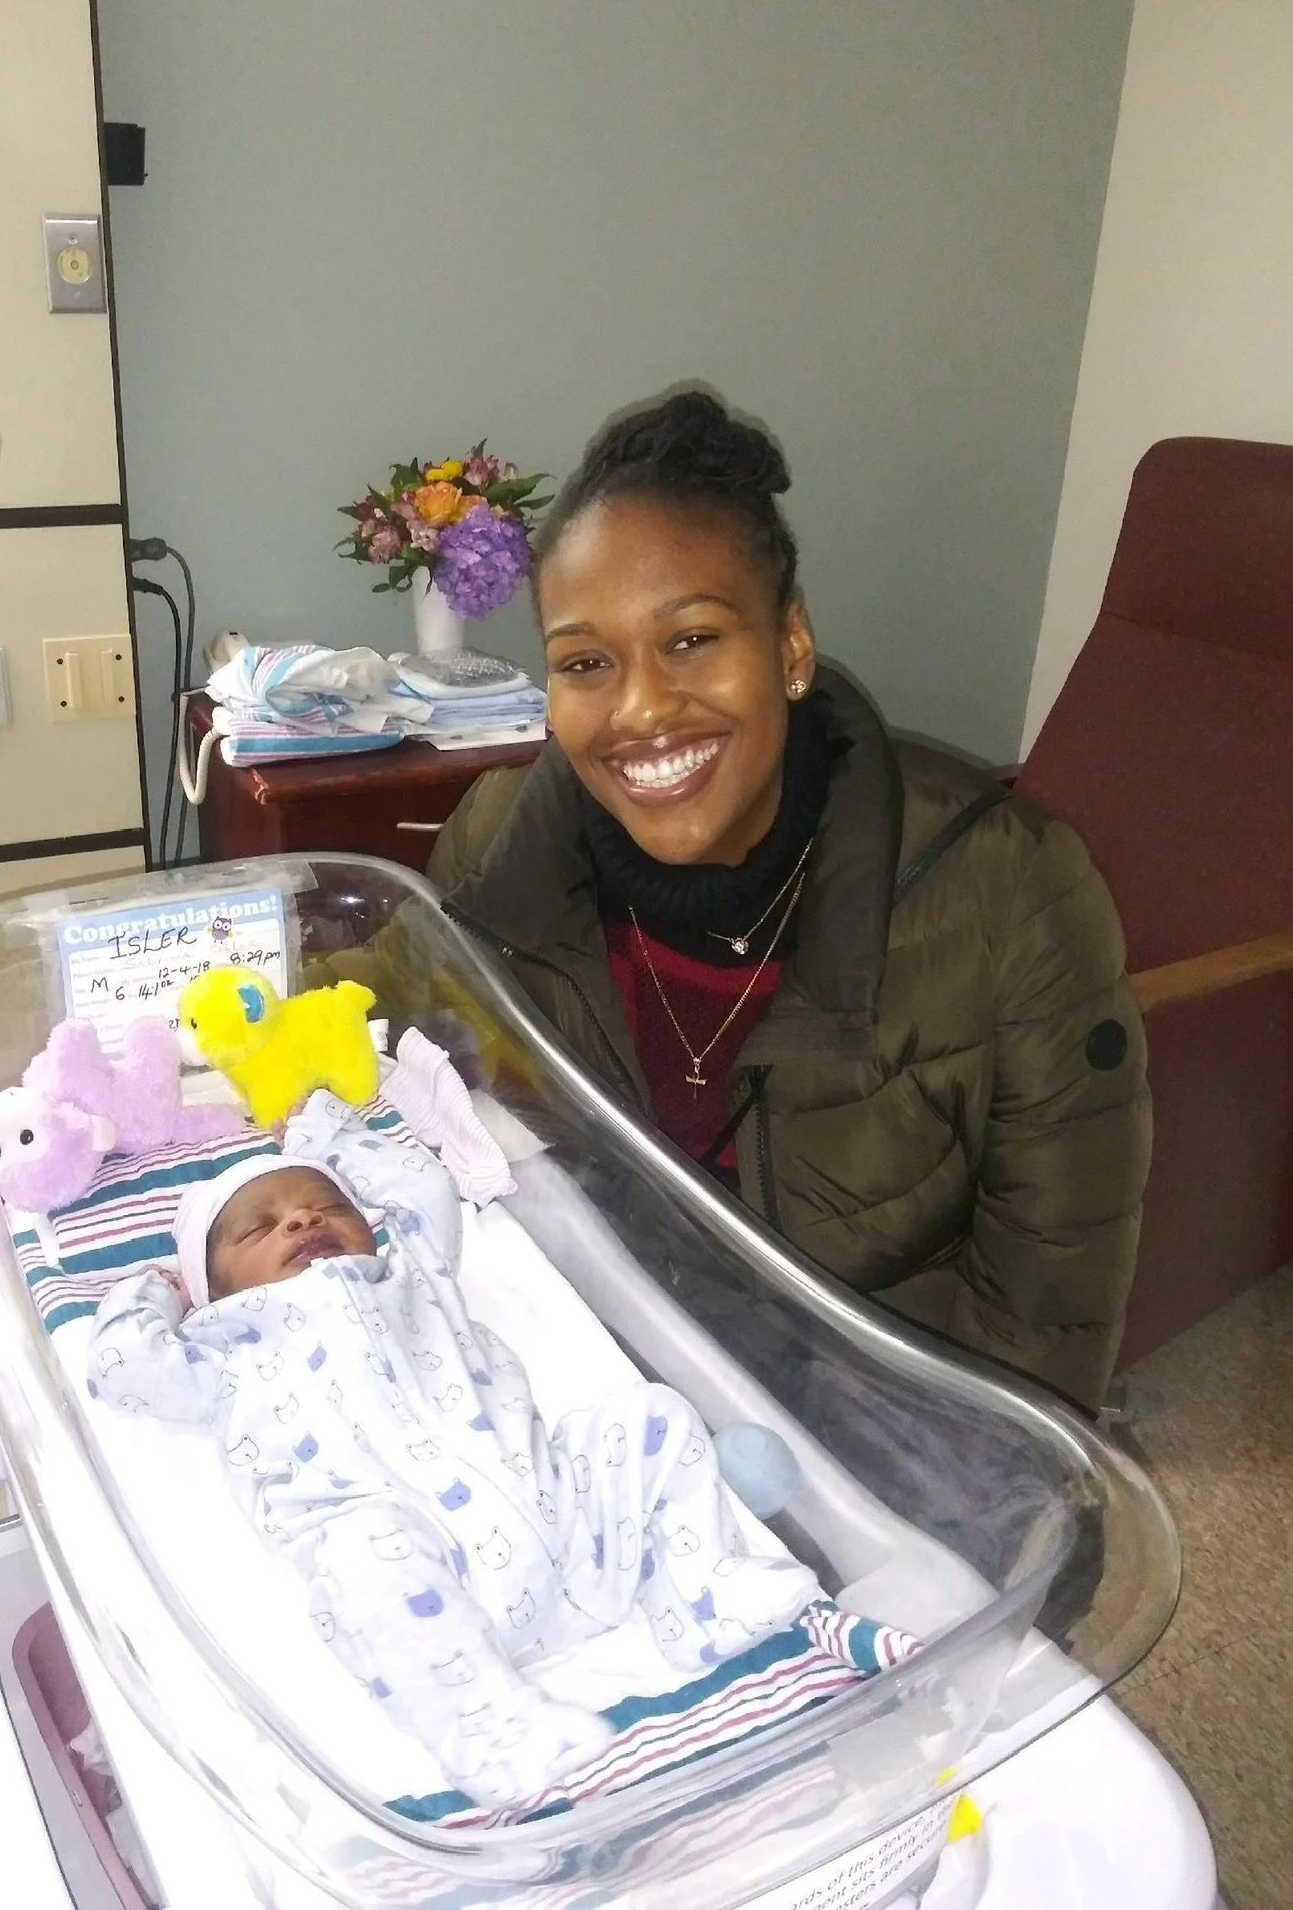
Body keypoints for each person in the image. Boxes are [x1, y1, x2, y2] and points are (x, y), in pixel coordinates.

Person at [428, 389, 1149, 1415]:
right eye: (585, 662)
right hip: (589, 1403)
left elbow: (1047, 1323)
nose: (637, 710)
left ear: (791, 646)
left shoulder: (1007, 894)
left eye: (690, 640)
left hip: (875, 1432)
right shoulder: (491, 853)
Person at [86, 1089, 912, 1809]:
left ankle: (701, 1594)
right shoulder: (224, 1352)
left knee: (647, 1415)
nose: (301, 1220)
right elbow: (120, 1368)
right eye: (258, 1229)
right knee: (362, 1553)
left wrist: (325, 1132)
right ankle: (488, 1729)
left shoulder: (415, 1273)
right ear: (213, 1291)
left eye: (322, 1206)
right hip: (437, 1601)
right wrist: (152, 1288)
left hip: (573, 1536)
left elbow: (419, 1185)